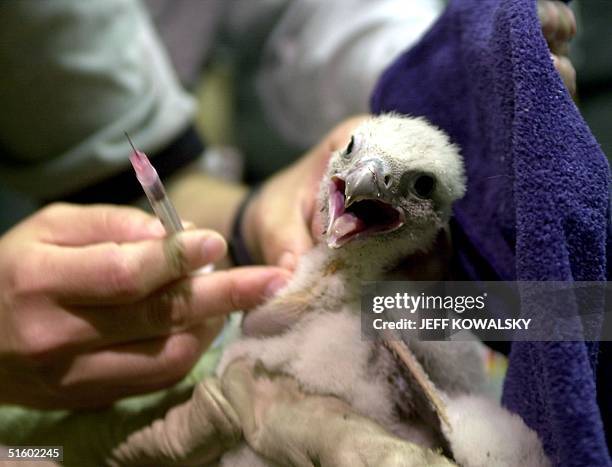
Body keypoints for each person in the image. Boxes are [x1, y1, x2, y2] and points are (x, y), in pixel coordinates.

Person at [0, 0, 576, 410]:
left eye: (419, 187)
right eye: (354, 154)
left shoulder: (413, 304)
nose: (365, 175)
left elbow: (575, 318)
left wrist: (414, 72)